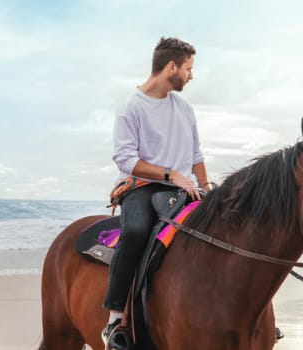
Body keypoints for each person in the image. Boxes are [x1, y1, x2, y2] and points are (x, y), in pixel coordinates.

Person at [102, 37, 211, 342]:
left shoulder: (185, 109)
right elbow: (125, 159)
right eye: (188, 68)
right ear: (171, 66)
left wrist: (206, 189)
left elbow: (197, 156)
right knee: (136, 232)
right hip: (143, 188)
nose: (191, 75)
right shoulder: (130, 107)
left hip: (186, 189)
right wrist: (170, 173)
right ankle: (115, 320)